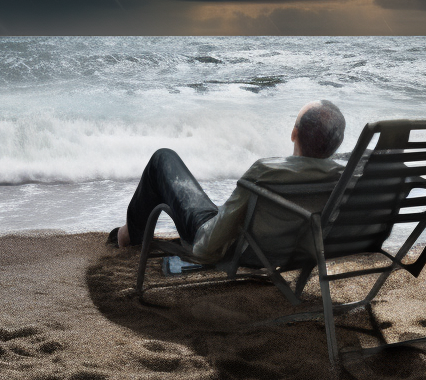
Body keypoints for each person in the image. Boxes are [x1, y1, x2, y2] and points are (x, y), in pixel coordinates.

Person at [112, 100, 346, 263]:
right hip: (292, 250)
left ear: (293, 134)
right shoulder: (344, 176)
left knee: (163, 158)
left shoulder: (266, 172)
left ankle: (130, 235)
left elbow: (208, 244)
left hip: (232, 249)